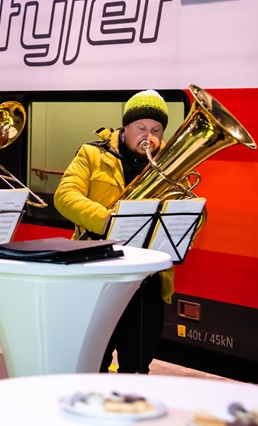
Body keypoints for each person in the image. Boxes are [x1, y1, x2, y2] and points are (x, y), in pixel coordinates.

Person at [54, 89, 175, 374]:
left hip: (147, 283)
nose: (149, 136)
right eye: (141, 128)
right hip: (99, 276)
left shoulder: (168, 164)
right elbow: (64, 196)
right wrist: (107, 220)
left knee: (137, 369)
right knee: (93, 366)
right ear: (126, 127)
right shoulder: (92, 154)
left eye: (156, 130)